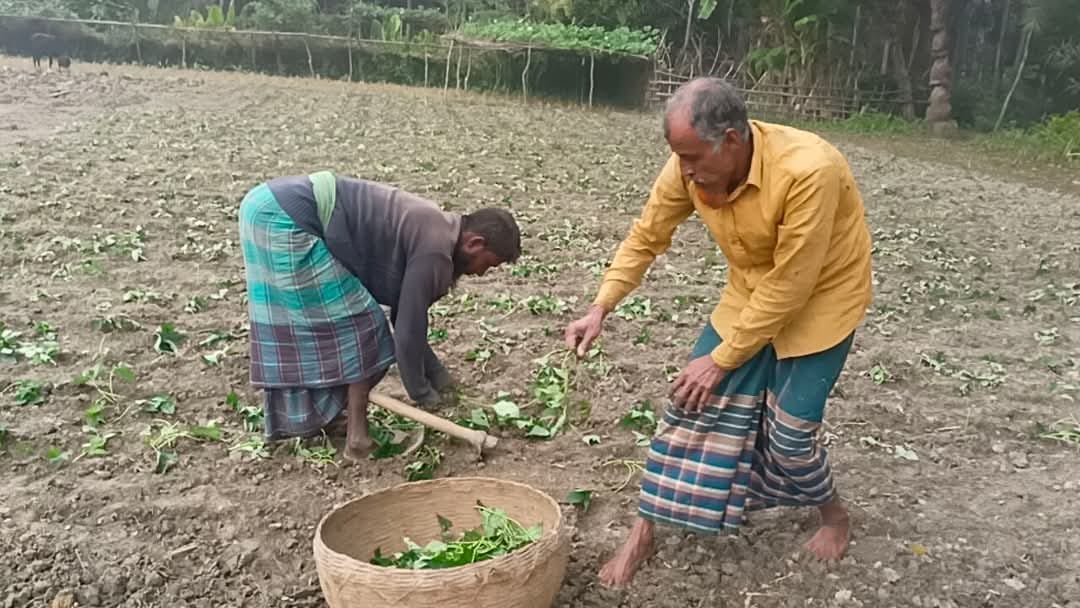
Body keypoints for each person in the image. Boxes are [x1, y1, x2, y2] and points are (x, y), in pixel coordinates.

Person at [564, 77, 873, 587]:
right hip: (752, 292)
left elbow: (791, 285)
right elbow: (647, 235)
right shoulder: (688, 166)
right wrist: (601, 306)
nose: (684, 170)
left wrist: (724, 359)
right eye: (677, 156)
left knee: (792, 437)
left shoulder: (808, 171)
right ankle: (644, 531)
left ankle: (834, 514)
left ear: (732, 140)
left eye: (691, 156)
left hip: (821, 299)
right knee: (687, 402)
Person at [238, 170, 520, 462]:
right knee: (367, 330)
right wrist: (425, 396)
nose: (481, 273)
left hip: (268, 205)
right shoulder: (435, 252)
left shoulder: (439, 229)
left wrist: (442, 380)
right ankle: (357, 440)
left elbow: (407, 320)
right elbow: (407, 332)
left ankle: (321, 418)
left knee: (331, 327)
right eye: (488, 265)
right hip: (285, 218)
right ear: (474, 243)